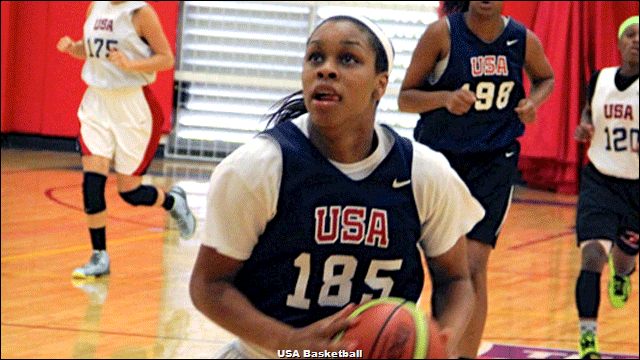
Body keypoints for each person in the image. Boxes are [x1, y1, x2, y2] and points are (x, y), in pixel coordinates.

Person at [189, 14, 485, 359]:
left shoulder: (424, 173)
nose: (326, 70)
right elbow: (209, 286)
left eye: (347, 59)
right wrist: (289, 341)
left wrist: (441, 340)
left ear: (380, 83)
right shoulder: (259, 167)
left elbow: (455, 281)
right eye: (316, 57)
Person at [397, 1, 555, 357]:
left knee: (472, 264)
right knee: (439, 264)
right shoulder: (443, 33)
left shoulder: (521, 39)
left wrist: (534, 102)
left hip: (494, 160)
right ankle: (430, 344)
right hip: (440, 160)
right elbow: (405, 98)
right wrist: (444, 99)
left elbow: (546, 77)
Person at [56, 1, 196, 279]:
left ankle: (173, 202)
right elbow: (91, 49)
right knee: (91, 183)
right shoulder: (95, 7)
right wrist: (75, 48)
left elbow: (166, 58)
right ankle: (99, 257)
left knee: (129, 192)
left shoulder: (140, 13)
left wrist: (130, 64)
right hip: (96, 102)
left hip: (132, 106)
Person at [573, 15, 638, 359]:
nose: (637, 40)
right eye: (631, 34)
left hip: (637, 189)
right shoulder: (601, 79)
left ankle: (624, 272)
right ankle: (588, 340)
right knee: (592, 256)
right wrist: (584, 126)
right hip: (600, 180)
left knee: (623, 259)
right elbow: (588, 111)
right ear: (619, 42)